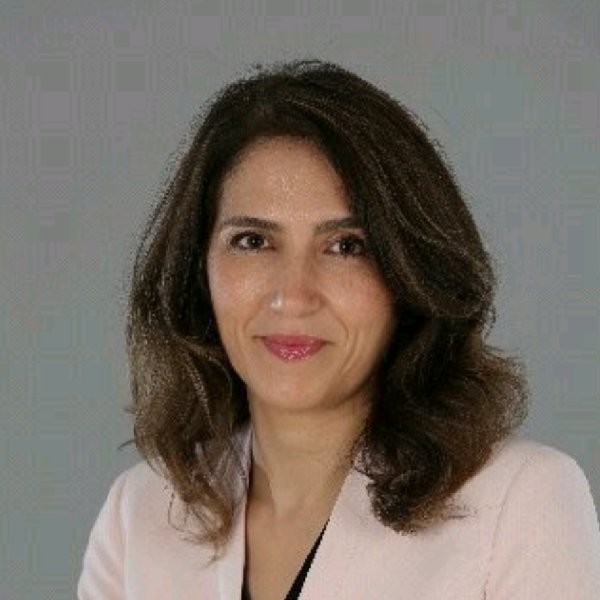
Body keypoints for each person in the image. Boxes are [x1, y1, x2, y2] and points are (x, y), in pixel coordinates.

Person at [77, 59, 600, 600]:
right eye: (253, 241)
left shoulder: (520, 503)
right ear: (198, 267)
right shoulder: (138, 517)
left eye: (346, 246)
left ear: (410, 275)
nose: (292, 295)